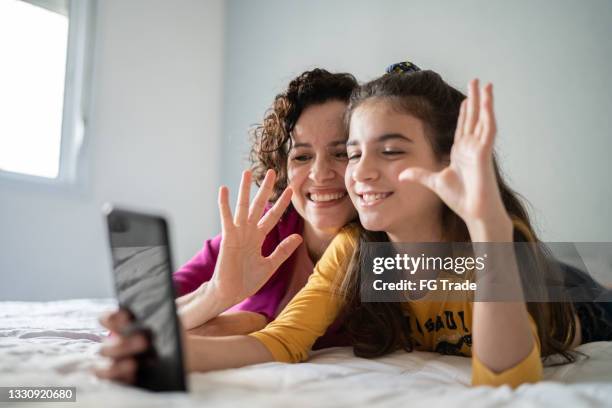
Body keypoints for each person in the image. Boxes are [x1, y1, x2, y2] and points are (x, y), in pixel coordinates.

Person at [96, 63, 612, 388]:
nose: (357, 172)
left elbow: (505, 379)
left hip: (578, 301)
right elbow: (279, 341)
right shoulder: (359, 254)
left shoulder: (495, 246)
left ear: (447, 162)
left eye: (388, 152)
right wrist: (162, 349)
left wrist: (489, 228)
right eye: (357, 152)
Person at [173, 68, 358, 336]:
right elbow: (141, 317)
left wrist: (253, 322)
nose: (319, 173)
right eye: (302, 157)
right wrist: (216, 295)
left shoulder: (389, 248)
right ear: (283, 168)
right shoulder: (264, 228)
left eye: (341, 153)